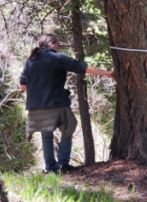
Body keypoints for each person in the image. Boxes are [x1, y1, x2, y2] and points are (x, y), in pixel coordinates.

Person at [19, 33, 115, 174]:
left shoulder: (31, 60)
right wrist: (107, 73)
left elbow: (23, 86)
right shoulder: (56, 57)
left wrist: (39, 91)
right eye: (58, 45)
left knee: (46, 135)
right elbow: (82, 67)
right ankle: (63, 164)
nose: (59, 48)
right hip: (56, 103)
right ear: (51, 43)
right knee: (68, 128)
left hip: (36, 106)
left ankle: (51, 168)